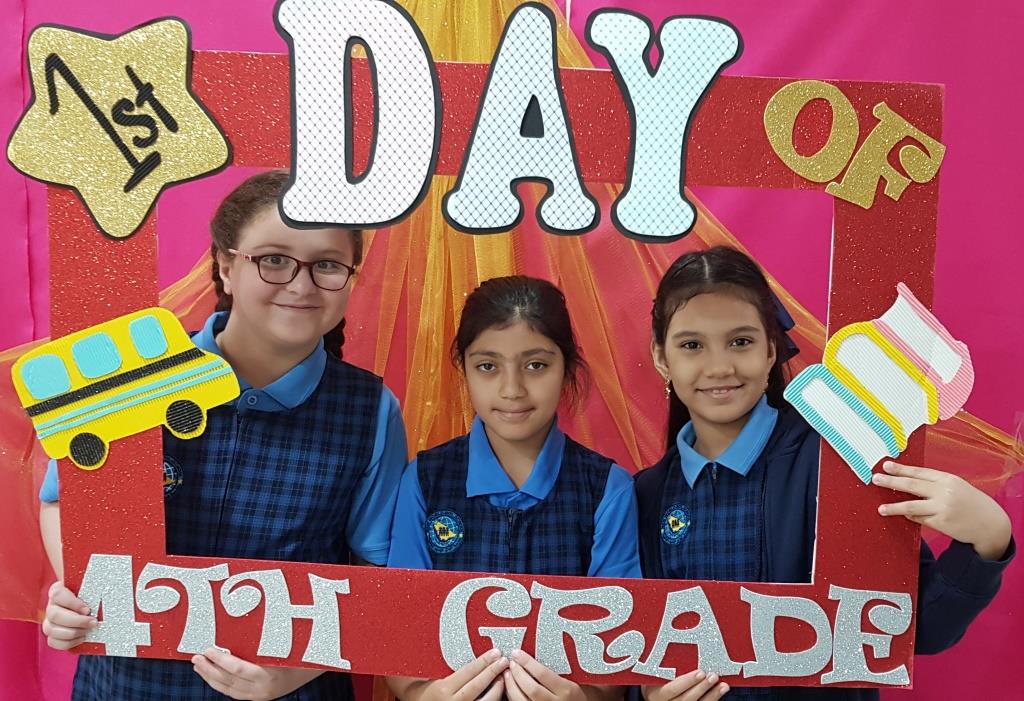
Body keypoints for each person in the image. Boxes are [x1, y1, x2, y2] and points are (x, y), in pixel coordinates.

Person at [38, 170, 408, 700]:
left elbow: (379, 571)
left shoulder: (371, 410)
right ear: (226, 266)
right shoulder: (135, 379)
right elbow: (61, 501)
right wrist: (79, 590)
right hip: (126, 683)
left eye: (327, 265)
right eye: (274, 259)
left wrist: (296, 671)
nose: (300, 285)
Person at [634, 246, 1014, 701]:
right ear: (661, 357)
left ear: (771, 349)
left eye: (741, 341)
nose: (719, 367)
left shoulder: (840, 457)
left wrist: (989, 537)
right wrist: (647, 696)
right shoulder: (645, 495)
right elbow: (634, 649)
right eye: (692, 345)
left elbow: (922, 627)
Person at [386, 275, 640, 701]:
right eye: (488, 366)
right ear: (464, 367)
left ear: (566, 367)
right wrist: (422, 695)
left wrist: (584, 698)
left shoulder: (606, 489)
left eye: (536, 365)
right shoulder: (426, 479)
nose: (512, 390)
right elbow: (399, 630)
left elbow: (616, 655)